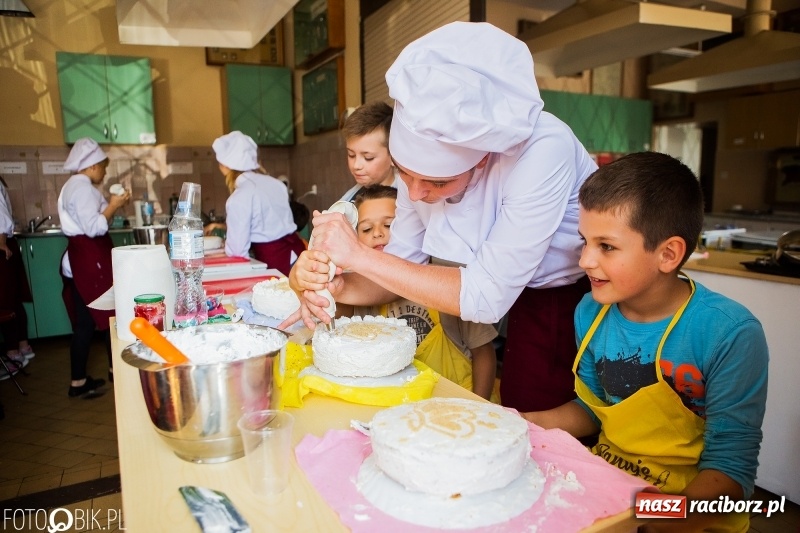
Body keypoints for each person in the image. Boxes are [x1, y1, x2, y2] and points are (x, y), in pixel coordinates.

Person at [282, 22, 596, 412]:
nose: (413, 194)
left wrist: (360, 256)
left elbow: (486, 296)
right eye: (404, 172)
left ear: (483, 157)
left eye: (437, 181)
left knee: (535, 412)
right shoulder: (419, 178)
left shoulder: (544, 151)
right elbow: (397, 271)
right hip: (492, 294)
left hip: (563, 301)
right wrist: (336, 286)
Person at [523, 152, 768, 533]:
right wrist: (526, 424)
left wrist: (652, 522)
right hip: (611, 485)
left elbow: (730, 472)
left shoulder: (728, 333)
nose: (585, 259)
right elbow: (593, 410)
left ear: (668, 254)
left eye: (606, 246)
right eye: (584, 240)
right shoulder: (589, 312)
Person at [343, 185, 498, 400]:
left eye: (389, 225)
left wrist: (480, 404)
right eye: (367, 229)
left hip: (457, 408)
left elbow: (483, 353)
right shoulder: (358, 291)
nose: (378, 233)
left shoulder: (445, 280)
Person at [59, 138, 130, 398]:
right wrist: (113, 205)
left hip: (82, 260)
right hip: (90, 258)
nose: (104, 171)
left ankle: (79, 380)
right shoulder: (82, 189)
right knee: (110, 316)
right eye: (102, 166)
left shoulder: (75, 187)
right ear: (90, 166)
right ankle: (115, 371)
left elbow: (97, 215)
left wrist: (114, 203)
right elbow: (95, 227)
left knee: (86, 323)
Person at [205, 131, 305, 276]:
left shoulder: (239, 198)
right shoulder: (276, 184)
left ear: (225, 165)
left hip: (275, 264)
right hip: (299, 254)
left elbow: (237, 252)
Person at [0, 175, 35, 377]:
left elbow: (2, 219)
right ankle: (22, 348)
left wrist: (2, 243)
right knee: (13, 300)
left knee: (6, 302)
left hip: (3, 248)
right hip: (6, 246)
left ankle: (14, 354)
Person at [338, 101, 397, 202]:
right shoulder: (351, 197)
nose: (356, 166)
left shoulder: (403, 202)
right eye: (351, 155)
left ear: (394, 156)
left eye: (368, 158)